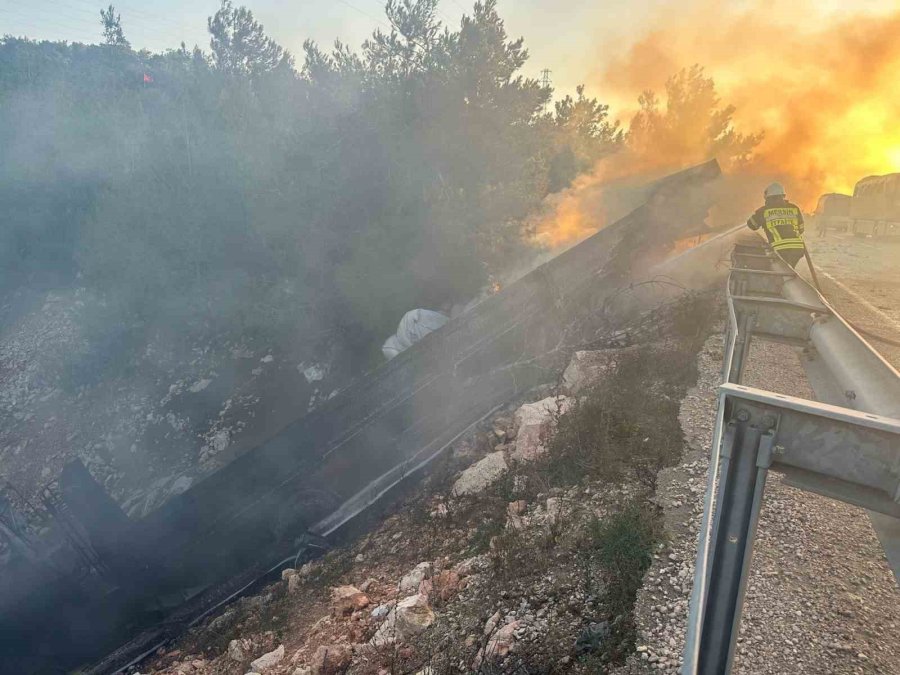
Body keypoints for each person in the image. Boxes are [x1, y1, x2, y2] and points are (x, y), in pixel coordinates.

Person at [746, 182, 806, 268]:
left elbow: (752, 225)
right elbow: (801, 229)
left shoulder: (764, 211)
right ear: (782, 196)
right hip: (797, 249)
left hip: (779, 250)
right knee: (788, 269)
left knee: (781, 271)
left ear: (768, 198)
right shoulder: (794, 208)